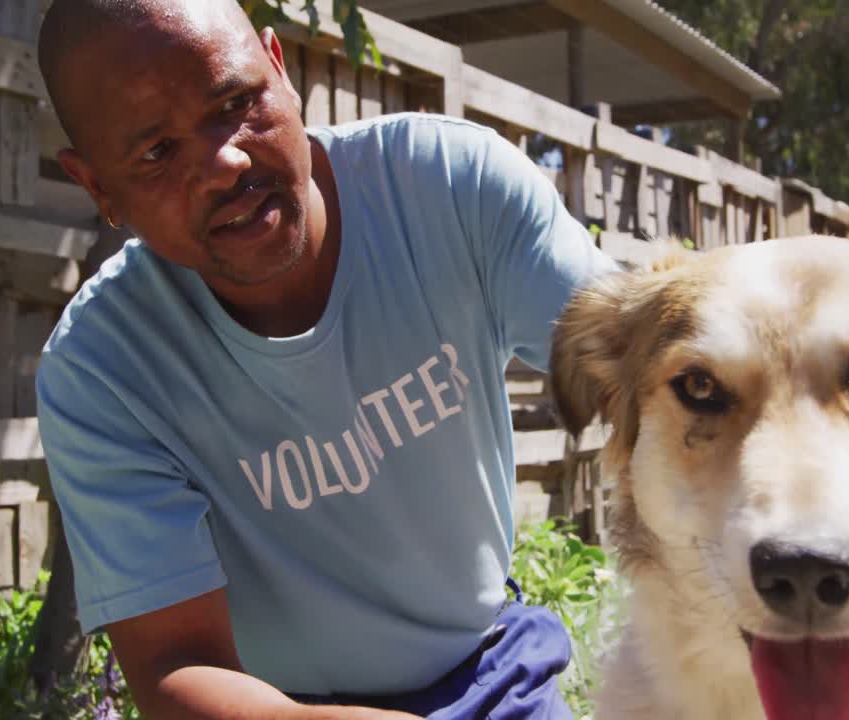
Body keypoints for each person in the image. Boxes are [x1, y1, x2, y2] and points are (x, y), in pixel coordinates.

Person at [33, 0, 618, 718]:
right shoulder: (103, 370)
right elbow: (175, 665)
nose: (224, 163)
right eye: (156, 153)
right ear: (98, 188)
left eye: (236, 103)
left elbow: (642, 365)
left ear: (281, 70)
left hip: (492, 668)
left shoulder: (450, 189)